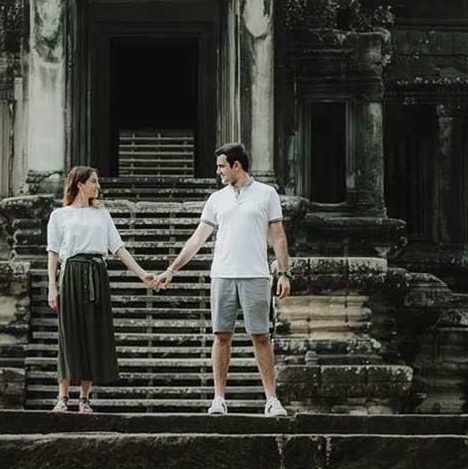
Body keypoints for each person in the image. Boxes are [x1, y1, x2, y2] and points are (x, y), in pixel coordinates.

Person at [154, 143, 289, 417]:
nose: (218, 172)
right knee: (221, 336)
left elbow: (278, 235)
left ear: (236, 165)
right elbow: (197, 238)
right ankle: (219, 398)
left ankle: (272, 399)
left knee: (261, 336)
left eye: (221, 166)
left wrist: (284, 272)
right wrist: (172, 268)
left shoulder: (267, 194)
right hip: (223, 275)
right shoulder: (216, 199)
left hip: (255, 274)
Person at [44, 164, 158, 413]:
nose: (98, 186)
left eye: (97, 181)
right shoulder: (60, 215)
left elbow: (118, 248)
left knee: (93, 335)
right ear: (79, 184)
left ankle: (84, 398)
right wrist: (52, 287)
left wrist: (142, 274)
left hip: (97, 273)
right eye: (94, 181)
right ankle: (63, 397)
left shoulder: (102, 214)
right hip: (71, 273)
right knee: (69, 335)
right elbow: (53, 253)